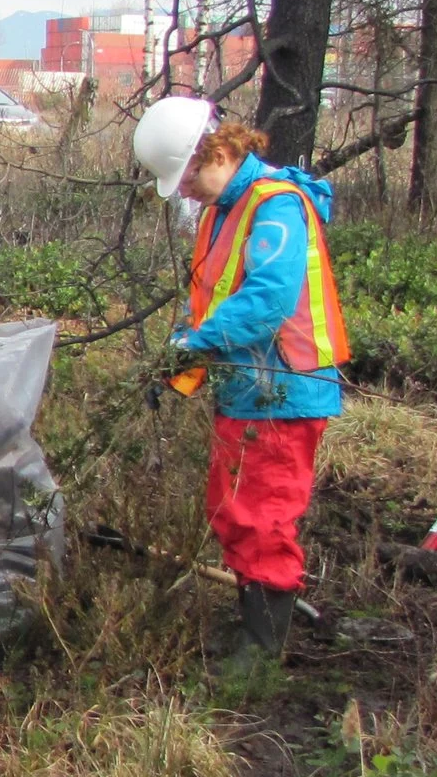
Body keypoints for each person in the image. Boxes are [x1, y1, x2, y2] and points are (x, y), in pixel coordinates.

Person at [134, 96, 348, 663]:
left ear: (221, 152)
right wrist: (178, 365)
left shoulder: (274, 207)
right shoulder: (224, 210)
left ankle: (262, 648)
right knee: (232, 508)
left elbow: (266, 301)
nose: (182, 190)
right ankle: (253, 629)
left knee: (264, 513)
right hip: (245, 390)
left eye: (187, 176)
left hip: (284, 392)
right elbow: (208, 303)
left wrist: (194, 345)